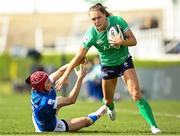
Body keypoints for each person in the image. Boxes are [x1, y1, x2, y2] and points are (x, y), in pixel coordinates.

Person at [55, 3, 161, 134]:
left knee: (136, 94)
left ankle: (154, 126)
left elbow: (133, 41)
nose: (96, 21)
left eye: (99, 17)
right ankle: (110, 107)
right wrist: (65, 74)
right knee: (108, 101)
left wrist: (121, 42)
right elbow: (79, 55)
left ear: (105, 15)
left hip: (124, 61)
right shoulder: (91, 34)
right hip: (107, 67)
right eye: (93, 19)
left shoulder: (117, 21)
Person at [25, 64, 107, 132]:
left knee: (59, 100)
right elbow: (71, 100)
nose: (50, 81)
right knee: (86, 121)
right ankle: (97, 114)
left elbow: (61, 71)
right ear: (41, 87)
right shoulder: (45, 102)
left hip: (43, 115)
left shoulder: (38, 87)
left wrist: (77, 61)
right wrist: (80, 78)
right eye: (48, 82)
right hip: (49, 126)